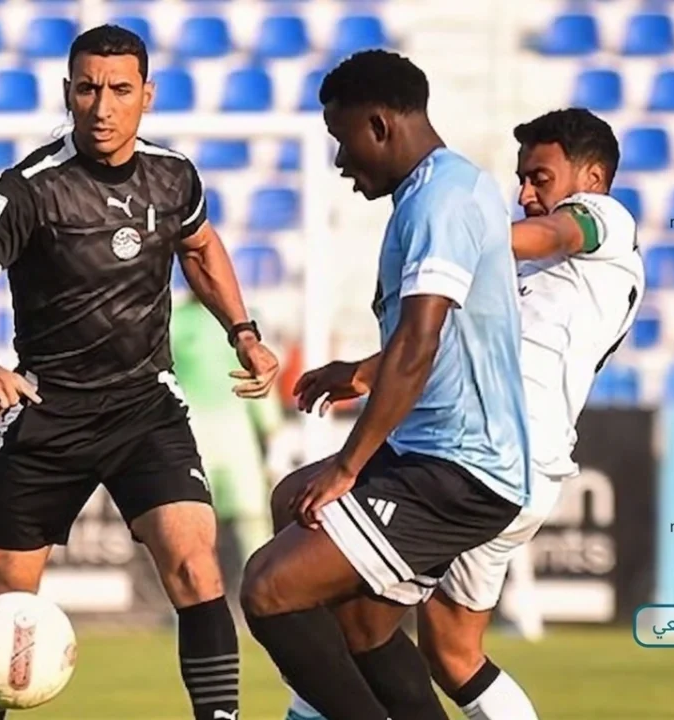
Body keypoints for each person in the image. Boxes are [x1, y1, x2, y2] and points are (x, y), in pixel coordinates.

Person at [0, 25, 280, 720]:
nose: (102, 106)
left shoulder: (174, 177)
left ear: (147, 95)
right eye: (87, 89)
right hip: (49, 412)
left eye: (119, 89)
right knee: (2, 599)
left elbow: (200, 249)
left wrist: (243, 332)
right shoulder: (30, 188)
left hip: (144, 408)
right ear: (68, 92)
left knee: (196, 566)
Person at [279, 107, 646, 720]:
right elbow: (448, 345)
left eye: (540, 178)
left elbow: (557, 233)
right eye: (521, 180)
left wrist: (455, 227)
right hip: (510, 463)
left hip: (484, 460)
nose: (525, 195)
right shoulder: (532, 278)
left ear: (592, 179)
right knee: (451, 652)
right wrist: (367, 371)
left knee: (328, 588)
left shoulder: (605, 220)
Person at [239, 49, 529, 720]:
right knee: (360, 622)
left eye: (342, 140)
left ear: (379, 125)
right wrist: (362, 372)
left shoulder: (441, 200)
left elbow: (421, 342)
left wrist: (347, 466)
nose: (341, 161)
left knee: (268, 588)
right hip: (439, 455)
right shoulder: (442, 189)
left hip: (459, 468)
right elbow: (436, 338)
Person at [169, 292, 283, 597]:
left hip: (237, 433)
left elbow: (260, 377)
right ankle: (190, 607)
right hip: (191, 429)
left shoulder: (245, 323)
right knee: (191, 524)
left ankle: (264, 600)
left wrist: (272, 434)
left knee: (252, 521)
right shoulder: (174, 319)